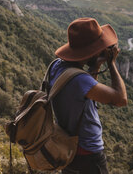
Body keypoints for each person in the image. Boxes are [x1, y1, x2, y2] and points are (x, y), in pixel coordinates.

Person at [48, 18, 127, 174]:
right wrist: (111, 63)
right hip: (88, 155)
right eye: (100, 47)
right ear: (91, 50)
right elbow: (120, 99)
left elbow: (82, 96)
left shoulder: (57, 66)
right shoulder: (79, 80)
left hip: (67, 147)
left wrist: (96, 65)